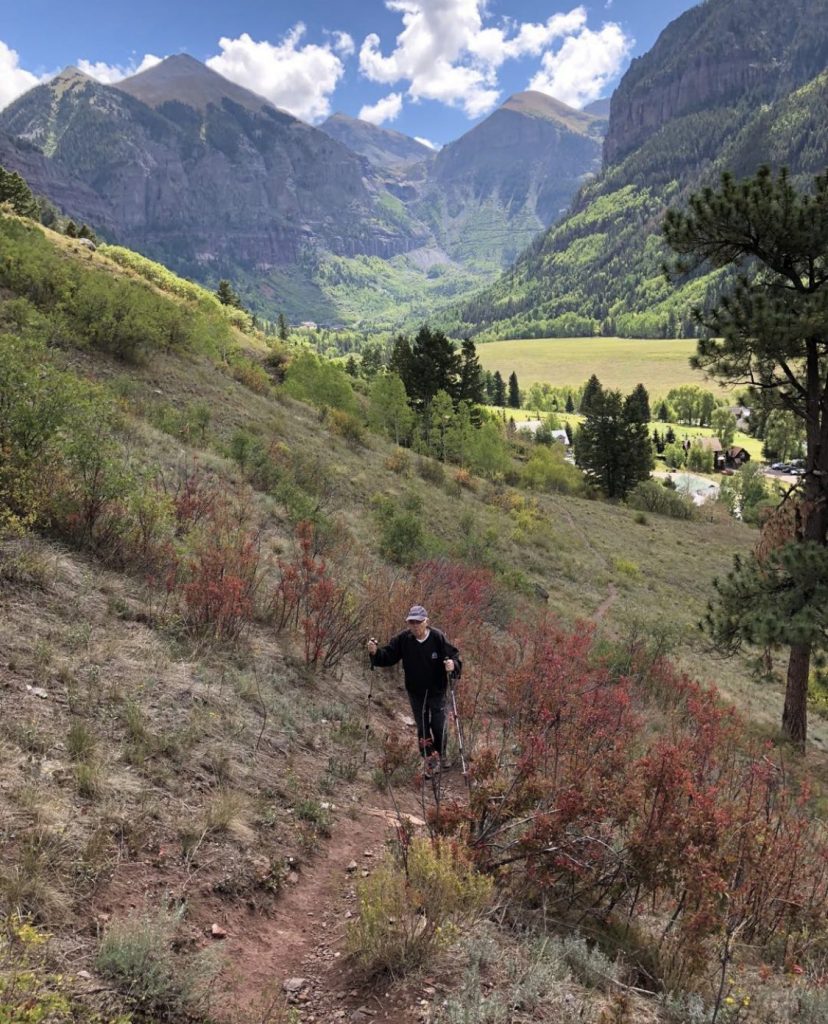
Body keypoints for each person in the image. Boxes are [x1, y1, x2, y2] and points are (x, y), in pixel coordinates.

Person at [367, 605, 461, 775]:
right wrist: (375, 653)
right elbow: (389, 655)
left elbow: (454, 656)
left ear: (426, 622)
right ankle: (431, 762)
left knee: (439, 725)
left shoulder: (438, 638)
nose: (415, 626)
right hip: (415, 691)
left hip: (437, 690)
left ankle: (441, 754)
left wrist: (452, 665)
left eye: (418, 622)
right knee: (423, 726)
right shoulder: (404, 639)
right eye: (411, 622)